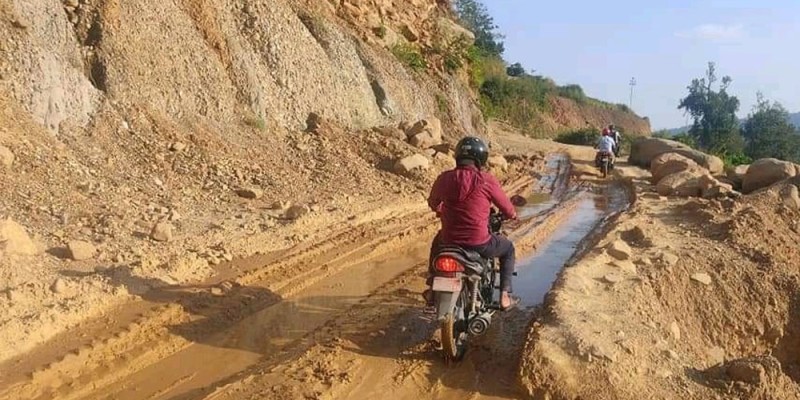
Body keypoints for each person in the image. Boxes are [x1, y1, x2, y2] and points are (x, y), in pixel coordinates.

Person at [424, 136, 519, 310]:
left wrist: (440, 210)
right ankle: (505, 295)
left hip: (449, 240)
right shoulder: (486, 180)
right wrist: (512, 214)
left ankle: (431, 286)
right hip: (479, 243)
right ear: (480, 159)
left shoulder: (444, 178)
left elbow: (433, 202)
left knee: (436, 242)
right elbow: (508, 209)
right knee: (508, 249)